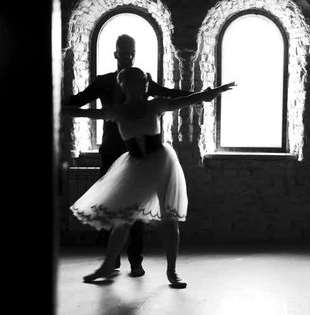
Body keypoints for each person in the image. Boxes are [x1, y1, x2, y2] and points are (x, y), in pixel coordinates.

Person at [63, 67, 235, 288]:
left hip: (162, 163)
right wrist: (60, 109)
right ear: (122, 85)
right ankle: (107, 266)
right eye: (129, 83)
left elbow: (186, 100)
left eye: (138, 83)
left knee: (170, 220)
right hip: (134, 167)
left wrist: (210, 93)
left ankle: (172, 272)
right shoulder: (116, 110)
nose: (134, 87)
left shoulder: (156, 105)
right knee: (124, 220)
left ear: (144, 85)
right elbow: (84, 113)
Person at [64, 34, 194, 277]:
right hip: (115, 153)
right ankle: (111, 263)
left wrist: (201, 94)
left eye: (131, 52)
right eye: (123, 52)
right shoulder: (103, 82)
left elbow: (171, 95)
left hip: (149, 157)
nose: (127, 56)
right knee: (114, 210)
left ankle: (136, 261)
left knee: (138, 215)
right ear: (115, 54)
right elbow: (78, 102)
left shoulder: (142, 80)